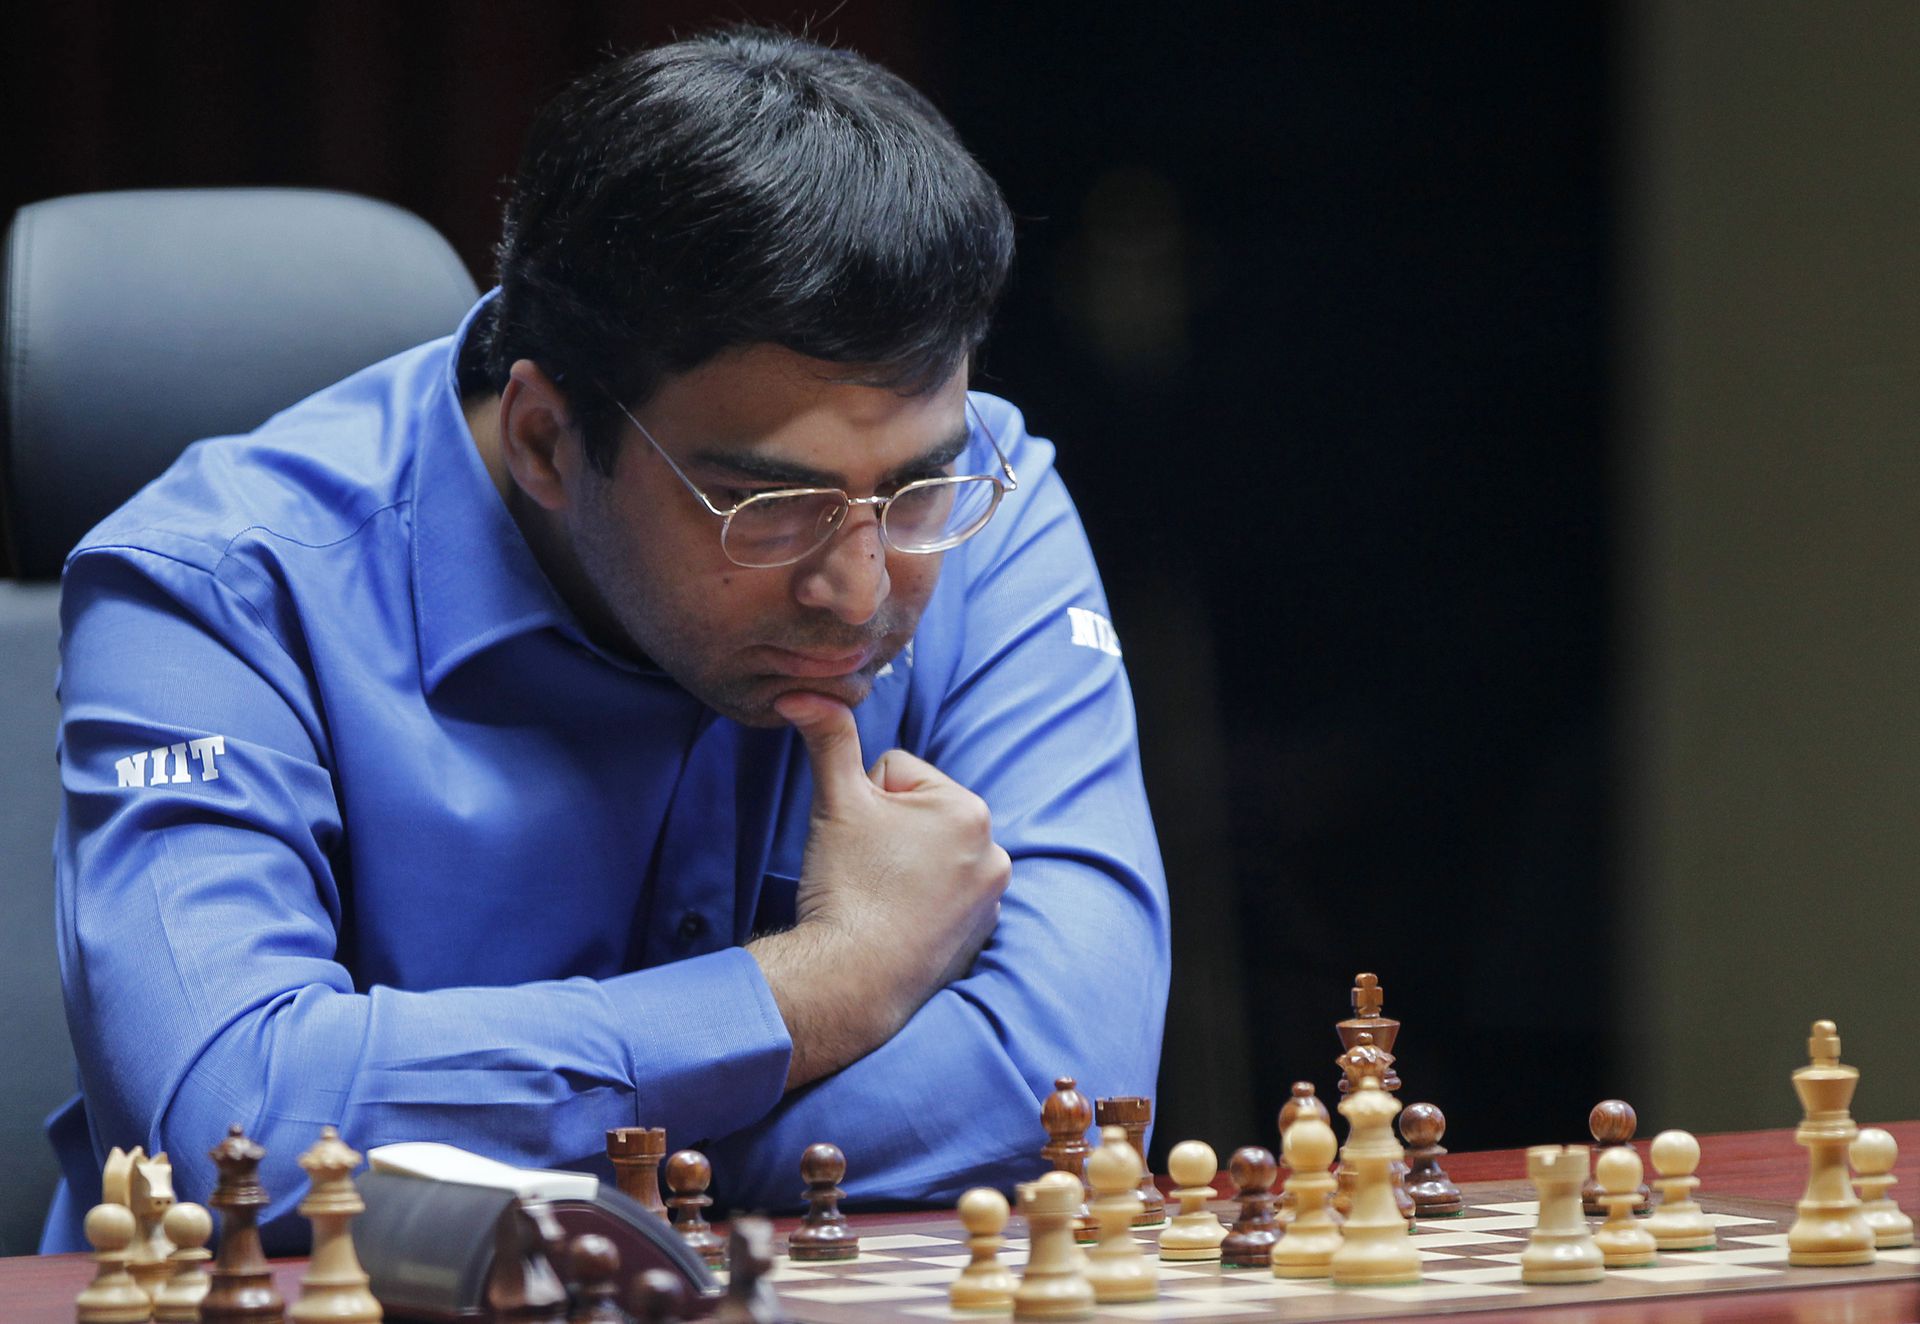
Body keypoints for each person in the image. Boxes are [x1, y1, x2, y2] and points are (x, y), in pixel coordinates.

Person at [43, 28, 1169, 1252]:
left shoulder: (988, 509)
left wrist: (512, 1151)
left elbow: (1075, 1088)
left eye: (913, 491)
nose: (859, 588)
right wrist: (830, 983)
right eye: (765, 505)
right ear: (545, 440)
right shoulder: (213, 585)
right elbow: (237, 1128)